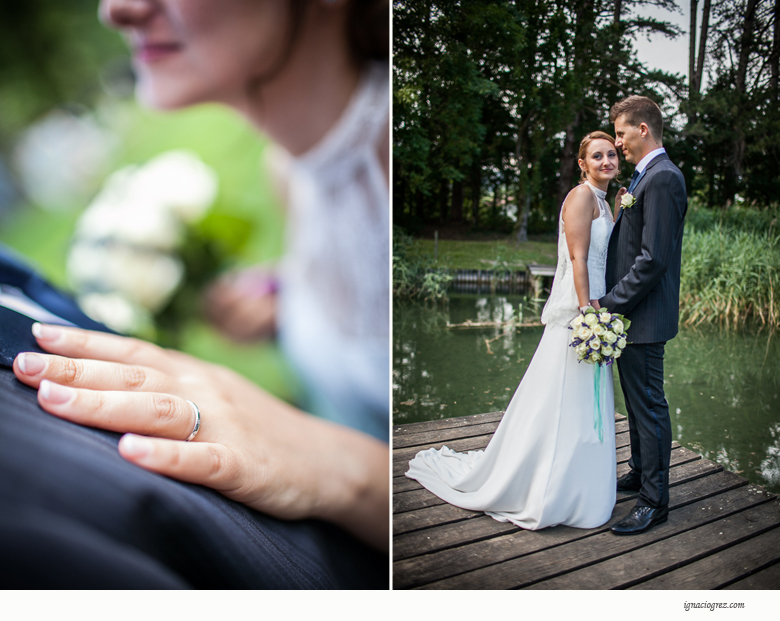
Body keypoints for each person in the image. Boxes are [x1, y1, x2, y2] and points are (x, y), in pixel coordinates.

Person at [10, 0, 390, 563]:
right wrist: (289, 307)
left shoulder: (396, 157)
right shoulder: (288, 173)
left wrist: (350, 470)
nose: (117, 10)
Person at [405, 132, 620, 530]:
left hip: (597, 303)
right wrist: (588, 310)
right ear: (583, 164)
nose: (606, 160)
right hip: (580, 306)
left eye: (610, 153)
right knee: (563, 393)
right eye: (597, 155)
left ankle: (581, 485)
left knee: (582, 397)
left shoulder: (606, 202)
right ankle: (546, 486)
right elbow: (577, 256)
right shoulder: (581, 197)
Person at [597, 96, 687, 536]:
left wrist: (608, 304)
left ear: (643, 129)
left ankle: (655, 500)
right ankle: (638, 471)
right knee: (635, 404)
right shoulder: (645, 176)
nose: (618, 142)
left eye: (621, 133)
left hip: (643, 317)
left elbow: (652, 260)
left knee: (649, 406)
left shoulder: (664, 178)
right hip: (631, 316)